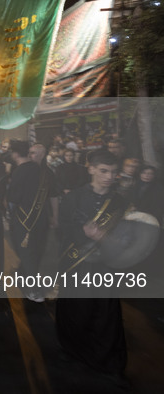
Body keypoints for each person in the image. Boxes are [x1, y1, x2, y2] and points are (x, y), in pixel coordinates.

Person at [56, 150, 129, 387]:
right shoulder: (73, 198)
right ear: (91, 169)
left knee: (106, 316)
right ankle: (74, 351)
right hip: (78, 265)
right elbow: (62, 229)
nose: (109, 176)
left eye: (113, 172)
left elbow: (129, 235)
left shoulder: (120, 202)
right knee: (76, 312)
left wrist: (117, 241)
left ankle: (109, 364)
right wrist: (83, 233)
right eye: (103, 171)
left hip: (105, 267)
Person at [7, 141, 58, 302]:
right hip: (41, 217)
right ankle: (23, 279)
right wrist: (54, 216)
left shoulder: (19, 171)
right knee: (36, 252)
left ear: (15, 154)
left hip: (23, 219)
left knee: (26, 254)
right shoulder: (45, 171)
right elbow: (54, 195)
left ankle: (35, 290)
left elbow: (13, 198)